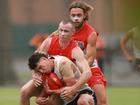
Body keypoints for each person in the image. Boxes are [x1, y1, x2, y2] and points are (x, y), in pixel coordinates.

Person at [20, 20, 92, 105]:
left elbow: (87, 73)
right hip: (47, 79)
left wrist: (73, 89)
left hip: (65, 83)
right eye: (60, 30)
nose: (62, 33)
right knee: (24, 92)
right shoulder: (49, 42)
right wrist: (35, 74)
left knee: (52, 102)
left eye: (66, 31)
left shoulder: (76, 51)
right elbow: (35, 60)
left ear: (73, 32)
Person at [68, 1, 107, 105]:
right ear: (70, 16)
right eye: (73, 15)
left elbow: (90, 58)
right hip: (69, 69)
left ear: (85, 15)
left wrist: (80, 73)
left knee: (102, 99)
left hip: (89, 69)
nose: (76, 18)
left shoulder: (91, 33)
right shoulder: (65, 31)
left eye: (79, 15)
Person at [28, 53, 95, 105]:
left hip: (80, 92)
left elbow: (70, 90)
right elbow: (47, 91)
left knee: (82, 101)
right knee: (48, 102)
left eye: (40, 67)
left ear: (44, 59)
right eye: (38, 71)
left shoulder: (63, 63)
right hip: (65, 98)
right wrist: (39, 99)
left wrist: (52, 92)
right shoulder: (45, 72)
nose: (42, 71)